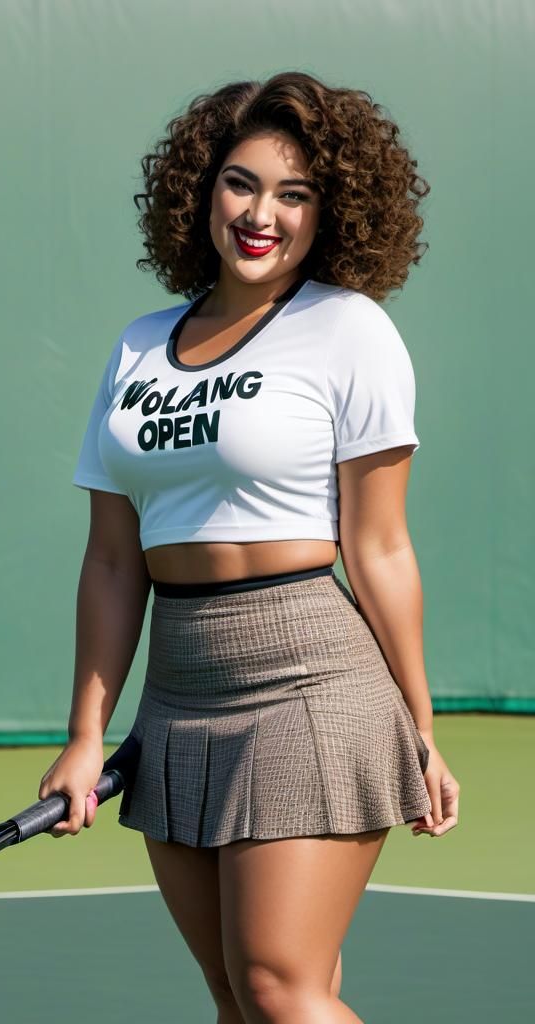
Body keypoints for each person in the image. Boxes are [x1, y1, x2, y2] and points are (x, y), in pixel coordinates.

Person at [38, 70, 461, 1024]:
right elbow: (113, 562)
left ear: (329, 212)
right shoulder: (138, 346)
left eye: (293, 193)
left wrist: (422, 726)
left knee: (279, 988)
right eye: (241, 183)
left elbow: (381, 548)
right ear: (202, 190)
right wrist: (84, 737)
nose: (261, 214)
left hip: (311, 680)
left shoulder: (349, 329)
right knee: (235, 999)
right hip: (178, 695)